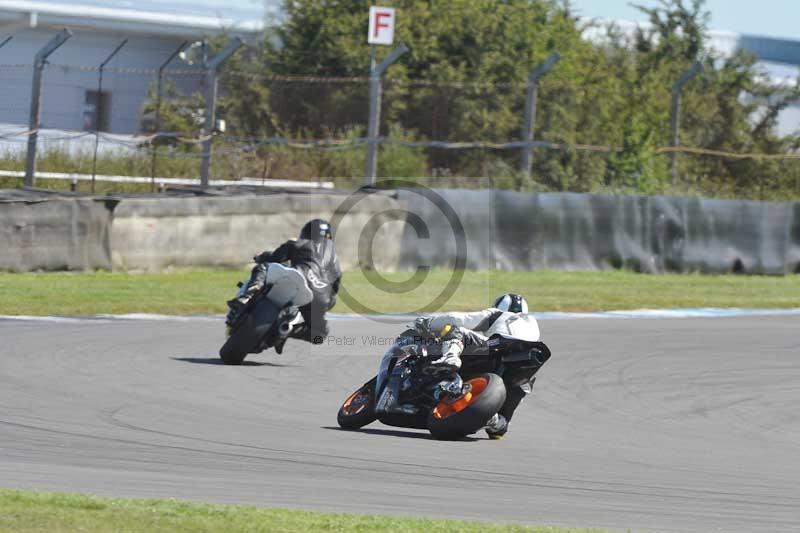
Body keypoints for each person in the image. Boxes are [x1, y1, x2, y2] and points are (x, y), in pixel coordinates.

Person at [414, 293, 546, 439]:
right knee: (502, 426)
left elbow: (457, 319)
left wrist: (428, 322)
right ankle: (495, 422)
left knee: (455, 330)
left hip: (498, 345)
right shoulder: (532, 322)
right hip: (529, 363)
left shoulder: (497, 314)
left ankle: (451, 357)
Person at [228, 219, 342, 353]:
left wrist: (261, 257)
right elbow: (334, 293)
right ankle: (287, 329)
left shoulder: (299, 243)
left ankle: (246, 297)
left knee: (263, 267)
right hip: (319, 298)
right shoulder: (335, 261)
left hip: (298, 279)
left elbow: (274, 258)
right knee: (319, 336)